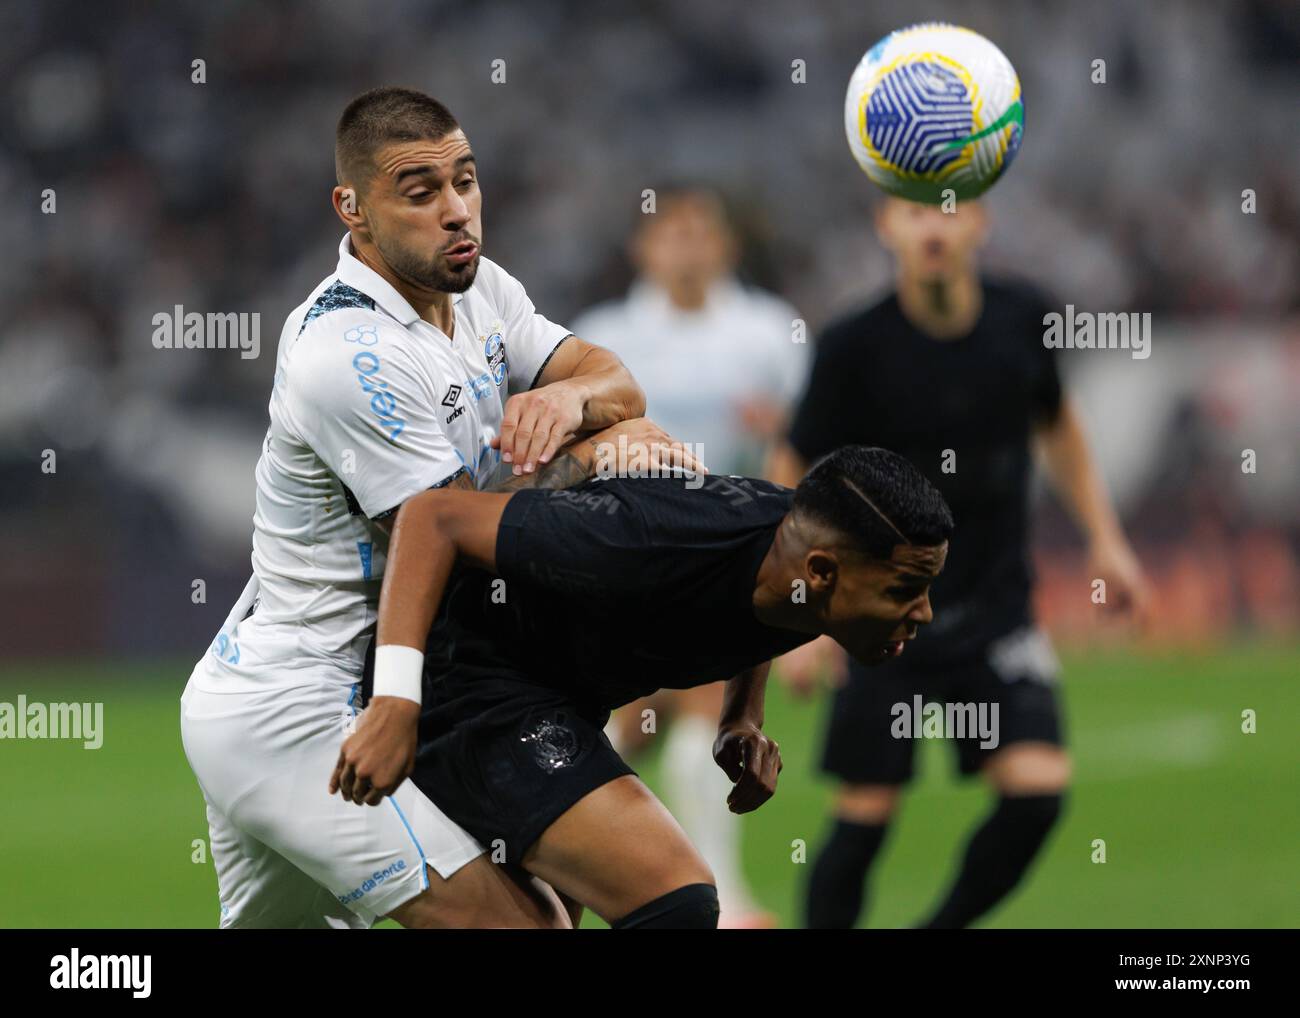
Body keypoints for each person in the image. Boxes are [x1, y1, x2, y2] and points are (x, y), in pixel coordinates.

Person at [179, 86, 699, 929]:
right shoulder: (347, 354)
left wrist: (572, 406)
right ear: (353, 210)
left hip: (373, 683)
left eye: (466, 180)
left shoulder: (478, 289)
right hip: (304, 706)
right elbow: (454, 536)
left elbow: (617, 382)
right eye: (420, 193)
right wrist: (594, 451)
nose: (457, 212)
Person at [330, 446, 954, 929]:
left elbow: (764, 615)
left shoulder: (801, 570)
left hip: (558, 700)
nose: (923, 613)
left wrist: (741, 717)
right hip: (467, 681)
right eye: (904, 590)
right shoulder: (641, 537)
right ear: (820, 573)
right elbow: (434, 518)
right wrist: (395, 699)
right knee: (674, 898)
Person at [768, 196, 1151, 929]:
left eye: (949, 210)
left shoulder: (1023, 319)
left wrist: (1107, 538)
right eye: (914, 212)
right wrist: (805, 613)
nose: (933, 226)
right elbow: (791, 465)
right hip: (881, 620)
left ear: (980, 222)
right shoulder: (854, 345)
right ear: (885, 225)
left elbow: (1057, 424)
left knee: (1037, 793)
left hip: (996, 609)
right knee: (864, 819)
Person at [570, 184, 807, 926]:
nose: (688, 246)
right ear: (645, 249)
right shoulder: (604, 334)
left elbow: (796, 453)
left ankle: (719, 895)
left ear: (726, 246)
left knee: (702, 708)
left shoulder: (771, 332)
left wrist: (797, 590)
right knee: (624, 719)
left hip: (730, 549)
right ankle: (571, 867)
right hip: (625, 543)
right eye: (671, 233)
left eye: (701, 232)